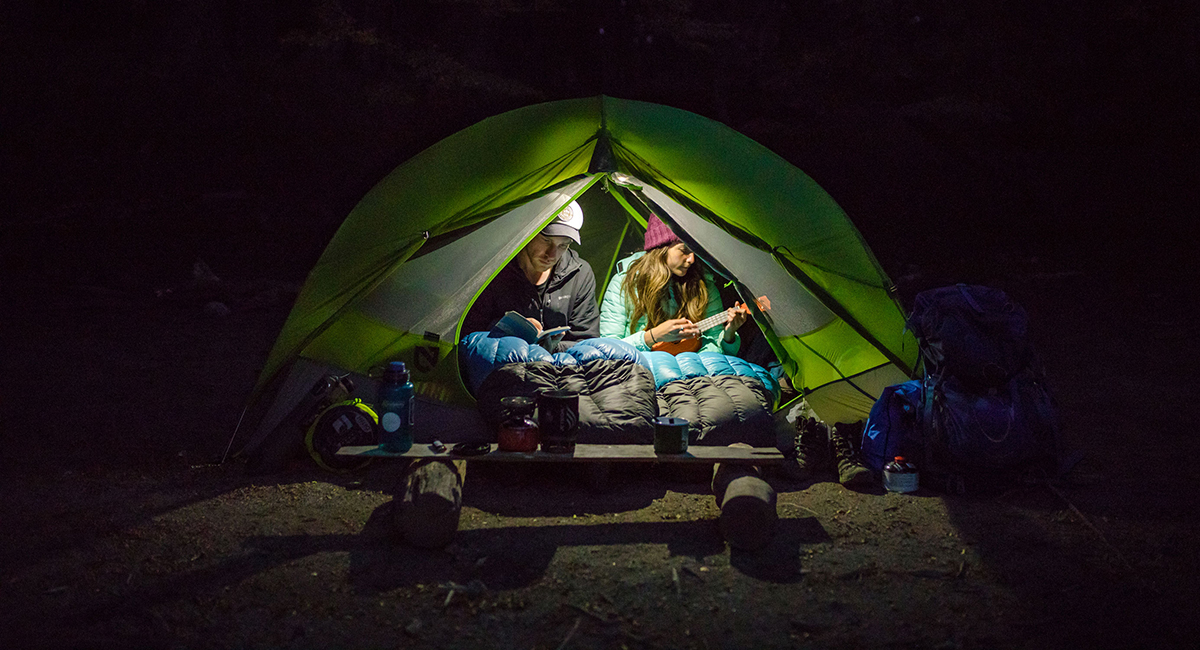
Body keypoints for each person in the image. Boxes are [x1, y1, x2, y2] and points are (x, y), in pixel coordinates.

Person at [599, 213, 747, 354]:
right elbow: (609, 350)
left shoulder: (704, 284)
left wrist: (729, 336)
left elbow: (717, 348)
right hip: (640, 373)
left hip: (694, 373)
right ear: (661, 249)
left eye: (695, 251)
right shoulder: (625, 282)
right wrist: (653, 336)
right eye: (684, 250)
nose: (691, 259)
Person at [462, 201, 599, 352]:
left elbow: (587, 341)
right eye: (546, 240)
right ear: (528, 231)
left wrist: (549, 347)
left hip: (559, 370)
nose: (552, 255)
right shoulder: (493, 269)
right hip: (504, 365)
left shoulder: (579, 273)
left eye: (563, 245)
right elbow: (467, 336)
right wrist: (508, 333)